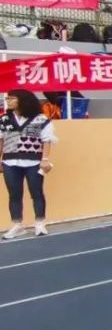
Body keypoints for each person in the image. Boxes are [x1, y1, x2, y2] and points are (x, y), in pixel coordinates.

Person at [1, 90, 56, 238]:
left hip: (33, 162)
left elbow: (46, 140)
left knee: (36, 192)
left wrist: (45, 159)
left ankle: (40, 222)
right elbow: (1, 140)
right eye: (8, 98)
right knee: (14, 194)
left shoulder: (40, 119)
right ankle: (17, 224)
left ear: (23, 100)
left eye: (12, 98)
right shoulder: (5, 119)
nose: (8, 101)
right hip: (10, 161)